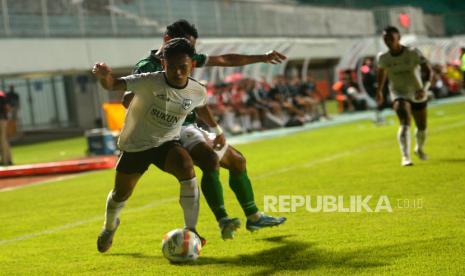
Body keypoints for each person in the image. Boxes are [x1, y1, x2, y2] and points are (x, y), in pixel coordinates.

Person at [123, 20, 286, 240]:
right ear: (167, 40)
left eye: (192, 49)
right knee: (209, 160)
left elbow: (224, 60)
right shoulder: (147, 67)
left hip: (191, 124)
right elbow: (128, 98)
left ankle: (254, 216)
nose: (189, 56)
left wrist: (262, 57)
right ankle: (223, 219)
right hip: (171, 128)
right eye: (185, 46)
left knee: (237, 161)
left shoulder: (185, 56)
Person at [92, 38, 224, 253]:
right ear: (164, 65)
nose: (178, 72)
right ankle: (109, 226)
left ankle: (191, 230)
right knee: (121, 194)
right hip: (136, 145)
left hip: (166, 143)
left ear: (192, 65)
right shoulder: (149, 80)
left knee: (186, 168)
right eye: (172, 67)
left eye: (183, 67)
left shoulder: (197, 90)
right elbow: (113, 85)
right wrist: (105, 76)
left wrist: (216, 130)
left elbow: (201, 107)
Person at [376, 26, 432, 166]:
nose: (388, 41)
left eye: (391, 38)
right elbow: (382, 73)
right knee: (404, 121)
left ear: (399, 38)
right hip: (398, 92)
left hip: (417, 92)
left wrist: (424, 89)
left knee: (422, 127)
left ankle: (419, 148)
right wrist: (379, 91)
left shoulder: (412, 53)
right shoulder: (383, 57)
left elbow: (428, 72)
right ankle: (405, 157)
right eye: (385, 39)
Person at [0, 90, 13, 166]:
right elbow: (8, 107)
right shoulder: (2, 96)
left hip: (2, 119)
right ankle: (7, 159)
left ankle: (5, 160)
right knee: (4, 139)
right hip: (3, 119)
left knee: (2, 140)